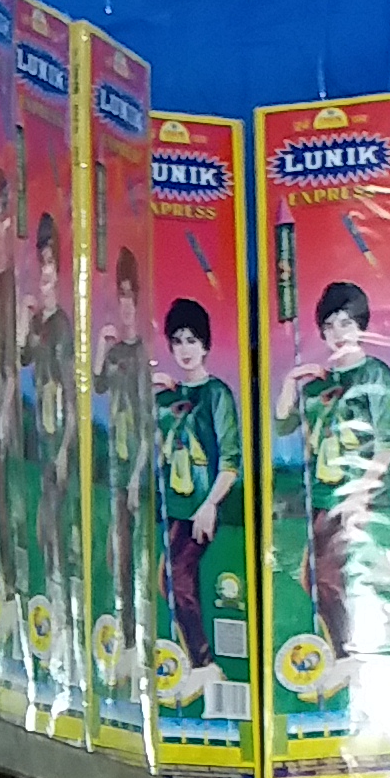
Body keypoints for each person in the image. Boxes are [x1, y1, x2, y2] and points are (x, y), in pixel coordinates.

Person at [276, 275, 390, 700]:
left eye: (346, 323)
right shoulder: (316, 381)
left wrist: (362, 495)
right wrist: (291, 383)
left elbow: (388, 444)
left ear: (361, 325)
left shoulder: (376, 373)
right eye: (329, 326)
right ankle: (353, 654)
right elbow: (283, 424)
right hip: (323, 496)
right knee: (313, 578)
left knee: (346, 576)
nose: (338, 334)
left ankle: (363, 657)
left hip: (363, 500)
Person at [156, 294, 245, 686]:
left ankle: (205, 665)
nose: (185, 349)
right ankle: (200, 662)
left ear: (206, 345)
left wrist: (210, 505)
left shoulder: (217, 395)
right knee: (169, 580)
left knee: (179, 577)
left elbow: (230, 459)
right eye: (177, 341)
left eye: (192, 340)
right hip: (173, 507)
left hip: (201, 508)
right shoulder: (169, 395)